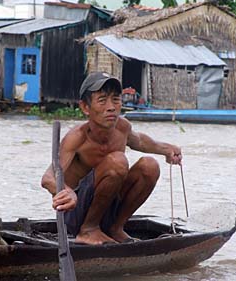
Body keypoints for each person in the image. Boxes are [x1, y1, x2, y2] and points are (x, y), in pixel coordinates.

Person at [41, 72, 182, 245]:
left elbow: (141, 141)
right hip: (76, 214)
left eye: (116, 100)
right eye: (102, 100)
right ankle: (88, 231)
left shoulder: (122, 128)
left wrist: (167, 150)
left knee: (150, 166)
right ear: (85, 108)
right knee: (117, 161)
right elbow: (48, 178)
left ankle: (115, 228)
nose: (111, 107)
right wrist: (65, 191)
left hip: (107, 208)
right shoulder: (77, 137)